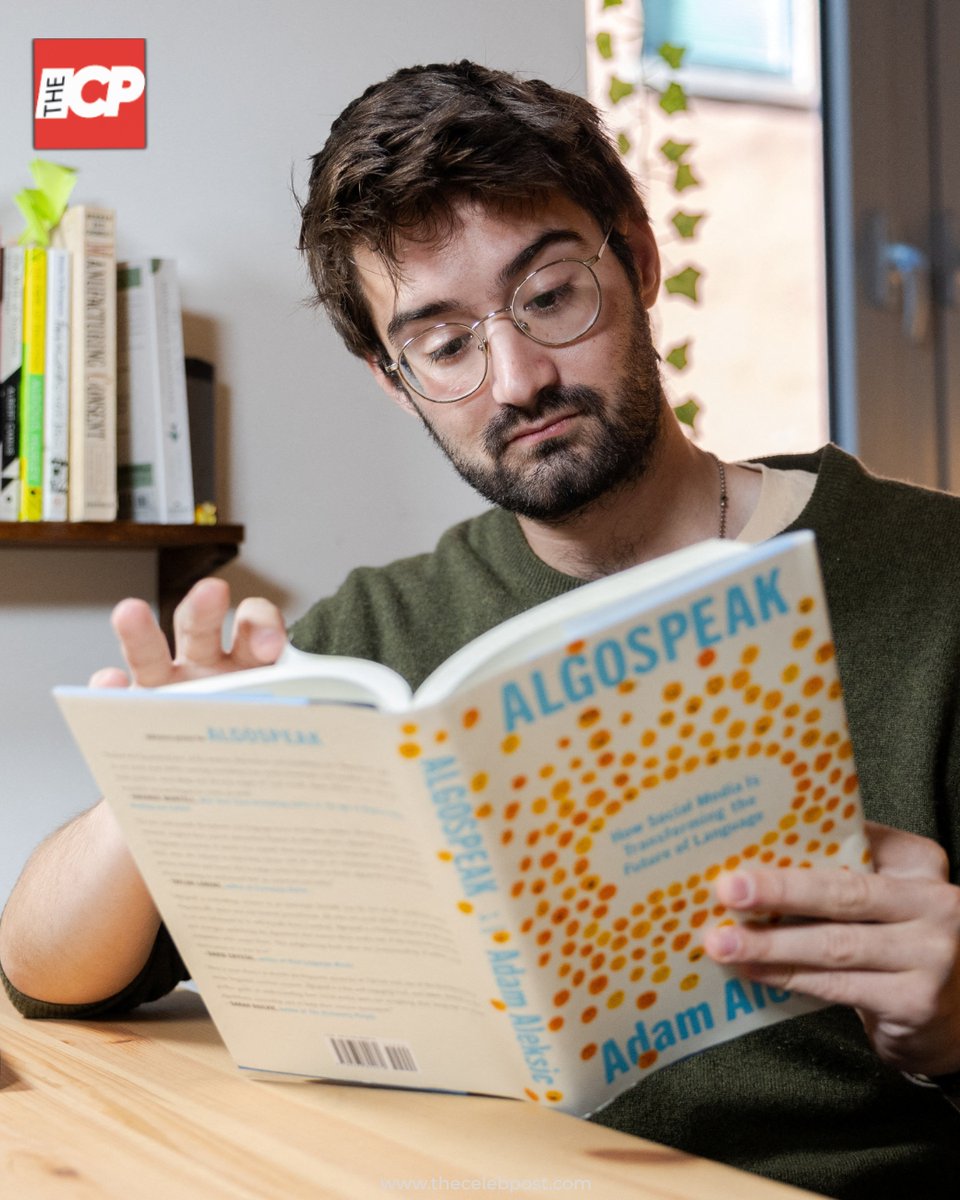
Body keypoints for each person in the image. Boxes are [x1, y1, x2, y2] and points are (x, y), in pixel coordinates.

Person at [2, 60, 960, 1199]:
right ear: (393, 380)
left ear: (640, 261)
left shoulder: (934, 578)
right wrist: (159, 781)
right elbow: (46, 975)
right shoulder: (371, 638)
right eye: (445, 344)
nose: (517, 378)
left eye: (551, 296)